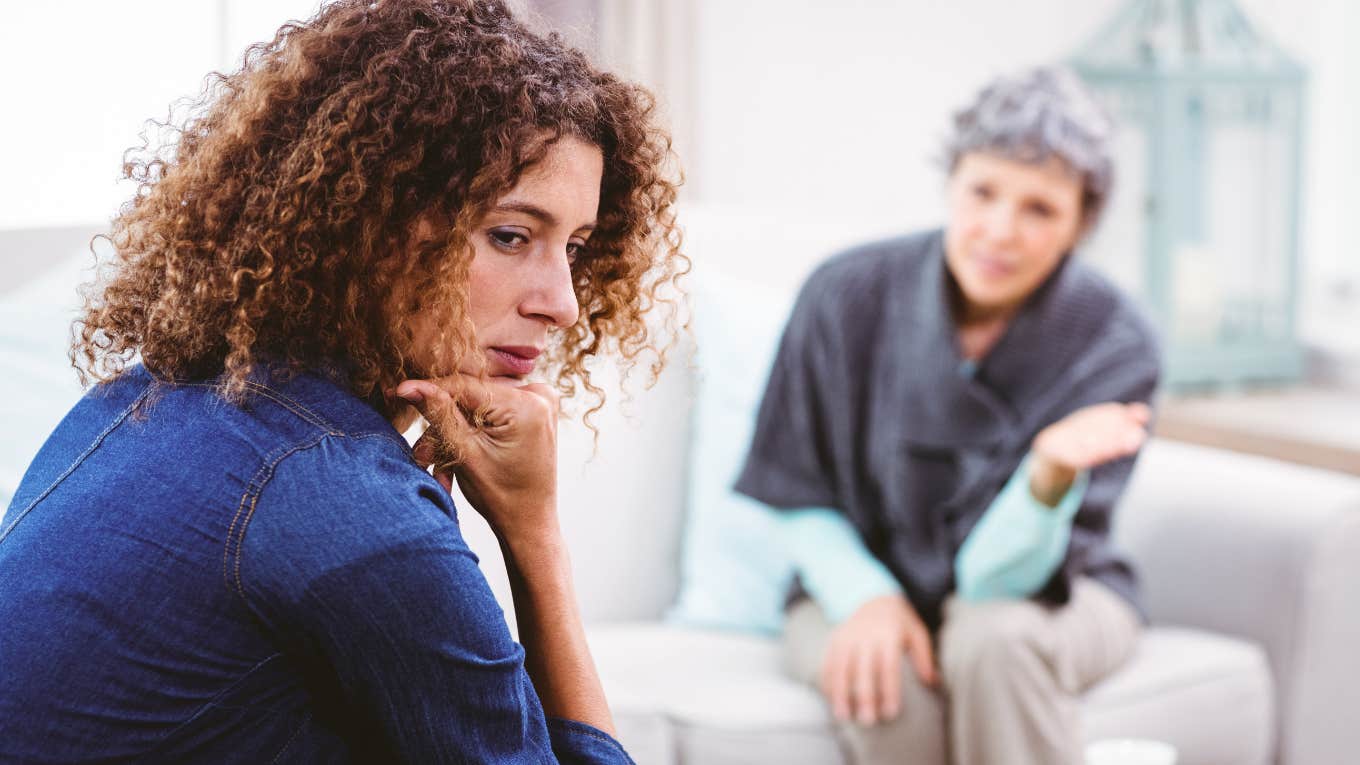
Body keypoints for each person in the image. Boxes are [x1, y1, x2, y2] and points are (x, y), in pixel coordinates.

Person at [0, 1, 683, 761]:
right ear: (371, 223)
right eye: (511, 236)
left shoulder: (136, 401)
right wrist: (535, 533)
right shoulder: (342, 501)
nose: (560, 302)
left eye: (576, 247)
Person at [736, 67, 1160, 765]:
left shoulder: (1116, 340)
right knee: (884, 678)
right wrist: (867, 598)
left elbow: (997, 588)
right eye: (983, 192)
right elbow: (793, 487)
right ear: (952, 182)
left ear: (1080, 225)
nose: (999, 231)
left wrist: (1046, 477)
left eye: (1040, 209)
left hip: (1058, 594)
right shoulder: (844, 294)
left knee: (995, 642)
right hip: (852, 577)